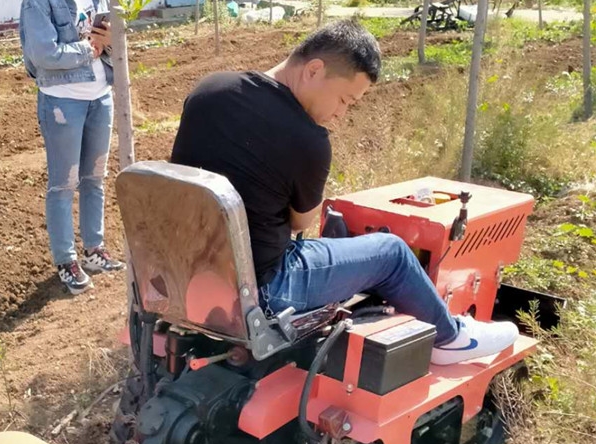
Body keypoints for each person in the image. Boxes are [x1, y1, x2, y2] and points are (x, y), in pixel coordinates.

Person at [170, 21, 518, 365]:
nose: (340, 114)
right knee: (392, 252)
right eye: (344, 99)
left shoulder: (208, 90)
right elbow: (300, 222)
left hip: (185, 271)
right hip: (263, 290)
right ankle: (451, 338)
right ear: (314, 70)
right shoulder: (308, 139)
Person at [20, 0, 124, 295]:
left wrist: (110, 41)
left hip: (101, 96)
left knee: (94, 179)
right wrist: (87, 49)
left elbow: (111, 40)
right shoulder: (38, 3)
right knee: (63, 185)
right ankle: (66, 260)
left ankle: (94, 249)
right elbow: (43, 53)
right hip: (62, 99)